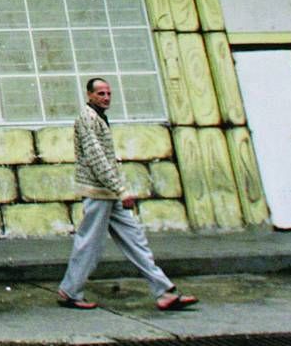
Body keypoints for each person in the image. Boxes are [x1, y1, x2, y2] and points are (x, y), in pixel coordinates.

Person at [56, 78, 198, 312]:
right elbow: (96, 158)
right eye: (100, 93)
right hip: (98, 192)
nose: (106, 97)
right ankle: (70, 291)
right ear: (89, 95)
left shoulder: (99, 117)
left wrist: (118, 189)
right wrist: (121, 190)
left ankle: (164, 291)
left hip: (109, 192)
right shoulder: (87, 119)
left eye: (108, 93)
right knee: (90, 244)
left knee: (135, 239)